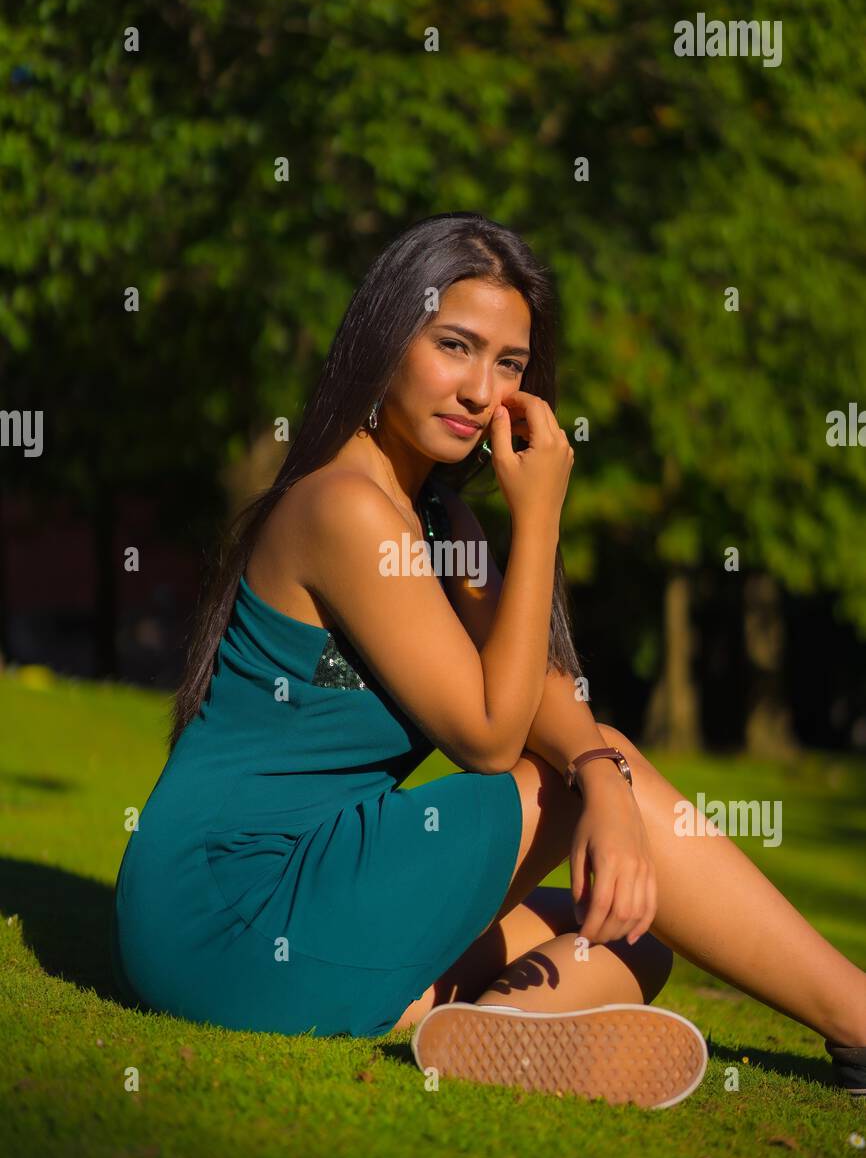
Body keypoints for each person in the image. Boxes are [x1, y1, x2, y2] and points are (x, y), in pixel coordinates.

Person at [111, 213, 866, 1109]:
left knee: (634, 929)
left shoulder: (440, 523)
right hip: (231, 909)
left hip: (297, 890)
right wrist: (542, 515)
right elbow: (488, 737)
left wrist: (603, 772)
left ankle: (492, 1032)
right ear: (386, 337)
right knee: (578, 787)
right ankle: (858, 1021)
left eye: (508, 364)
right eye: (455, 345)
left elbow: (540, 690)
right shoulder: (344, 508)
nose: (479, 389)